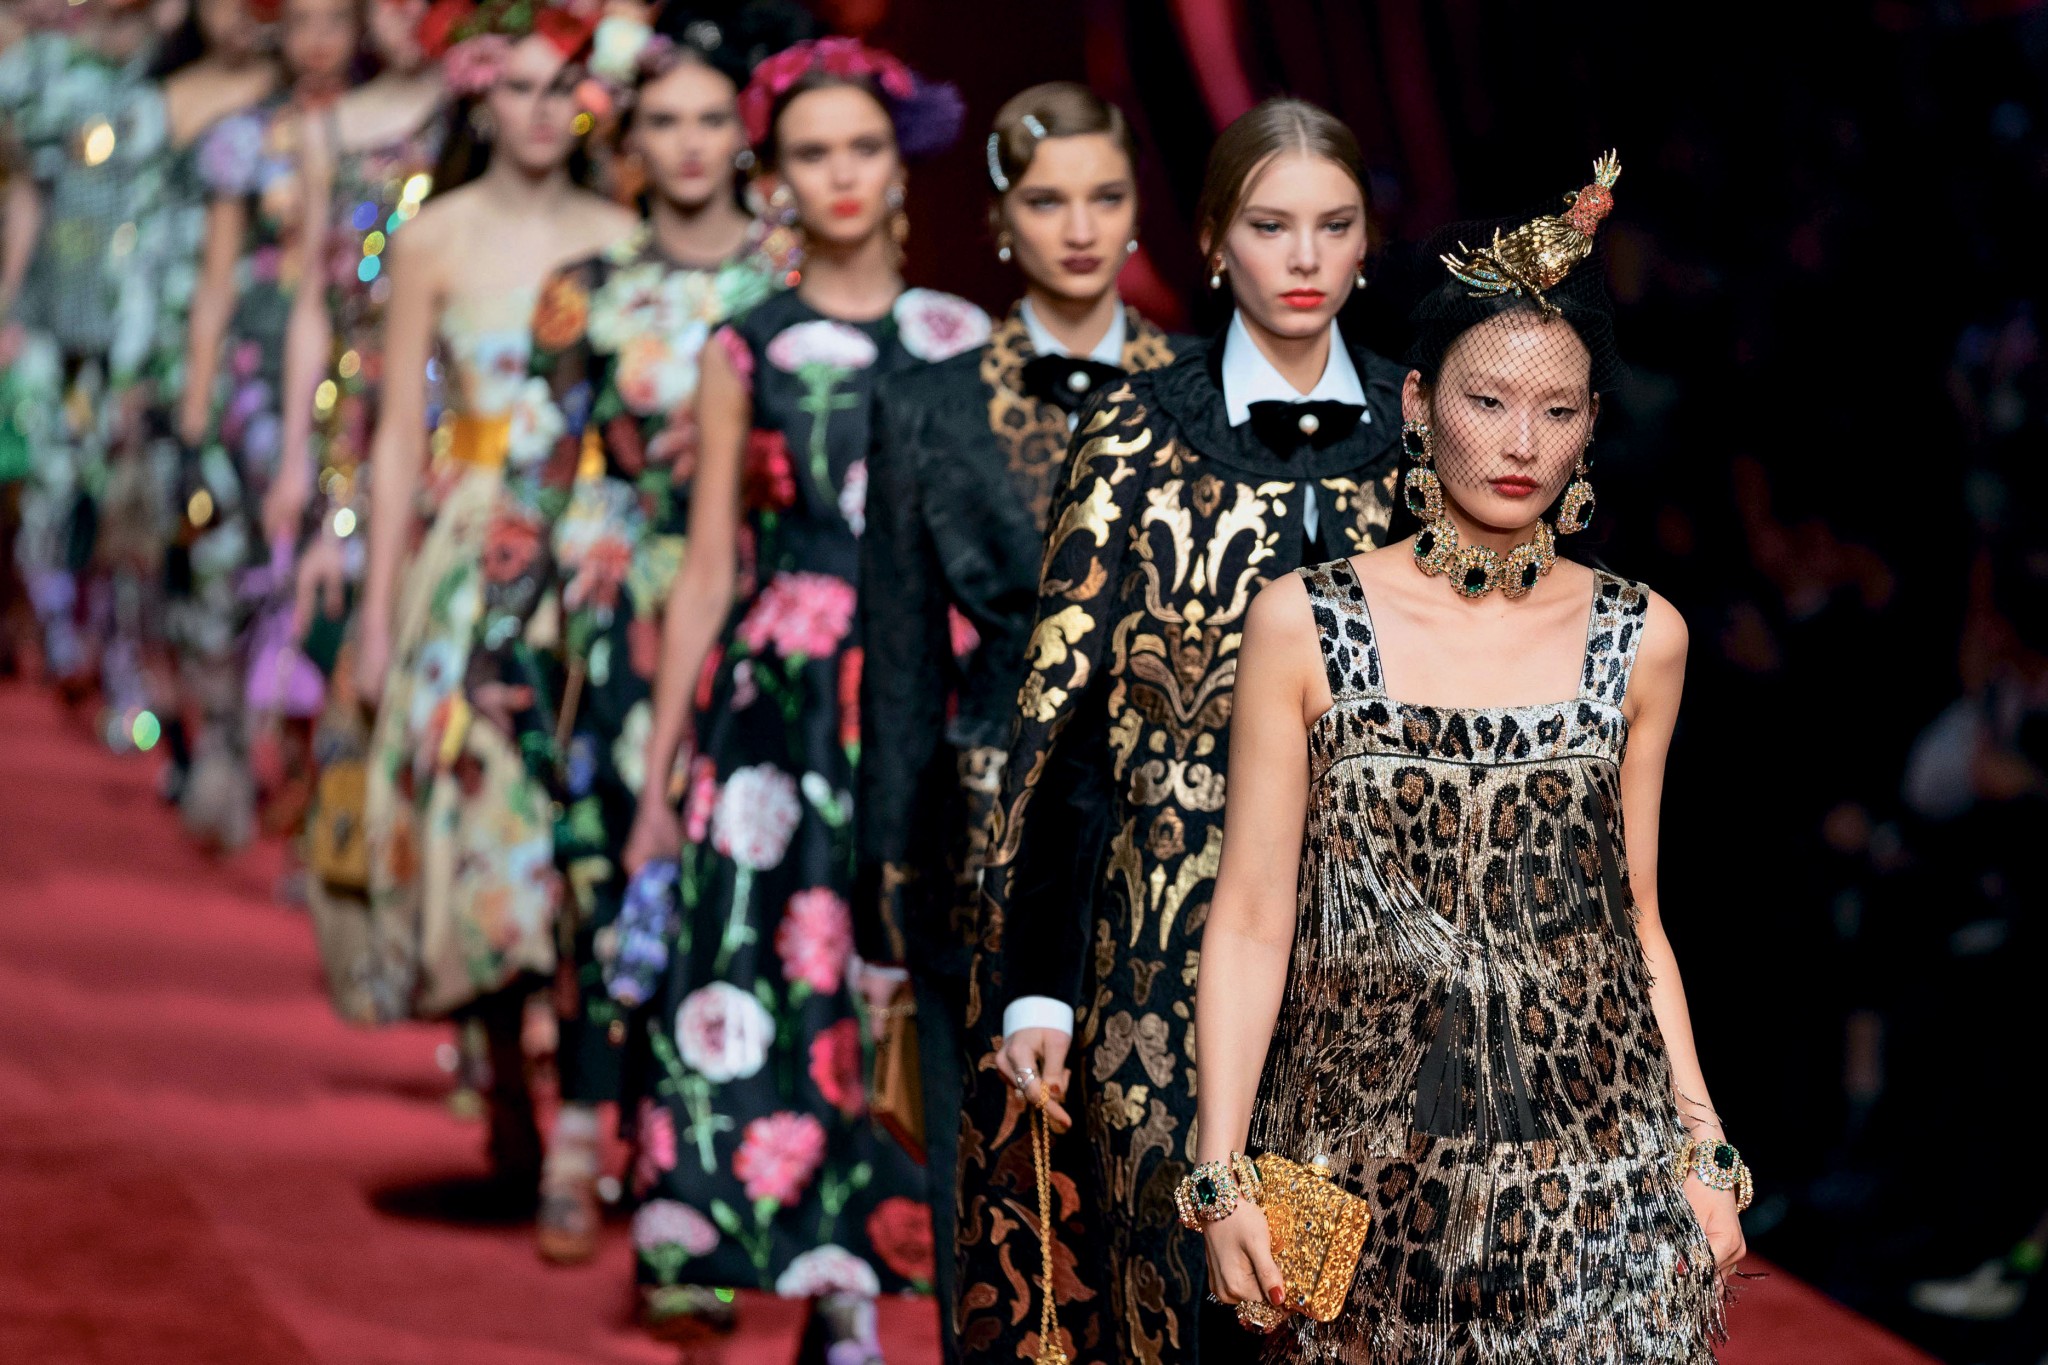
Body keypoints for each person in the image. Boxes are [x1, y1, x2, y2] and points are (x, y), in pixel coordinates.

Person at [1189, 156, 1746, 1361]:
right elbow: (1250, 916)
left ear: (1591, 426)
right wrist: (1219, 1164)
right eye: (1486, 401)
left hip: (1601, 1171)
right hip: (1358, 1171)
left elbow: (1635, 921)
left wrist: (1701, 1145)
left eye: (1558, 411)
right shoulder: (1306, 623)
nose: (1520, 443)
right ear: (1415, 401)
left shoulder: (1639, 637)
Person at [984, 97, 1403, 1364]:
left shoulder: (1425, 433)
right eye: (1269, 226)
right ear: (1214, 242)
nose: (1303, 257)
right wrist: (1039, 981)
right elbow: (1062, 729)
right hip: (1156, 941)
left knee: (1351, 1306)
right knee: (1173, 1293)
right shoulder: (1131, 430)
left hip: (1380, 945)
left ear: (1366, 241)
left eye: (1332, 225)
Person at [622, 34, 982, 1355]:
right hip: (779, 703)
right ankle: (835, 1291)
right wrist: (662, 774)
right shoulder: (744, 346)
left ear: (901, 164)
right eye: (812, 152)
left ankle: (876, 1277)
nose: (841, 175)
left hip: (924, 693)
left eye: (862, 148)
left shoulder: (961, 338)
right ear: (773, 176)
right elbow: (709, 563)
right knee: (786, 964)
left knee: (903, 972)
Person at [457, 0, 808, 1266]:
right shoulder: (585, 291)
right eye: (664, 120)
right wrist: (500, 636)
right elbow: (536, 469)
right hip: (615, 614)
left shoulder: (787, 282)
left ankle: (692, 1143)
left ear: (743, 134)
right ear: (630, 139)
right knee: (605, 868)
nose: (690, 142)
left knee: (736, 870)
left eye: (712, 118)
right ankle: (579, 1129)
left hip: (760, 605)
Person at [855, 80, 1180, 1363]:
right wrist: (881, 908)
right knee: (981, 1212)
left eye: (1104, 197)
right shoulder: (922, 404)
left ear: (1139, 209)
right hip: (978, 836)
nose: (1079, 228)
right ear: (999, 222)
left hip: (1164, 832)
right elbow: (895, 668)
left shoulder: (1199, 391)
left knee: (1152, 1198)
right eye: (1047, 202)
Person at [351, 3, 636, 1198]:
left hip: (598, 545)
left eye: (557, 86)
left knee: (585, 812)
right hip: (471, 545)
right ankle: (508, 1071)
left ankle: (574, 1089)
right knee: (475, 805)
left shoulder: (623, 238)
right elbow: (392, 434)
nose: (538, 109)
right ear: (478, 95)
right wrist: (375, 606)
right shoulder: (436, 238)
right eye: (515, 86)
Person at [170, 0, 357, 849]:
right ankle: (221, 744)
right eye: (303, 21)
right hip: (252, 382)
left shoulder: (385, 141)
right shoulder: (244, 138)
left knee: (324, 577)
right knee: (229, 566)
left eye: (336, 21)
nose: (318, 41)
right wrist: (194, 407)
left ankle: (310, 790)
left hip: (351, 385)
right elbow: (215, 280)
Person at [0, 0, 179, 727]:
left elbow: (157, 228)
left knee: (122, 503)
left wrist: (146, 354)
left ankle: (118, 664)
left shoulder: (162, 85)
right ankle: (59, 632)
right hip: (56, 324)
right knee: (49, 486)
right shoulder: (48, 73)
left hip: (129, 334)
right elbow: (27, 192)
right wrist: (10, 304)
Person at [144, 0, 281, 790]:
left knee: (251, 569)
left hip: (277, 378)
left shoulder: (291, 116)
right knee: (189, 560)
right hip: (193, 364)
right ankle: (191, 732)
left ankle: (240, 740)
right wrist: (194, 399)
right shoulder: (185, 102)